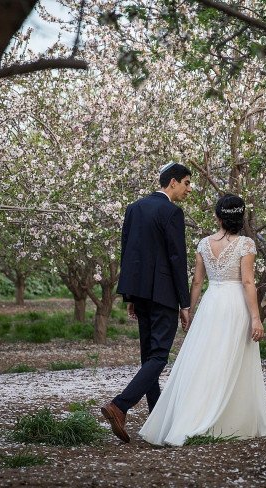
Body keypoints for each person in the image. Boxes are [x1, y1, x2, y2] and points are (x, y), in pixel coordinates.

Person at [138, 194, 266, 446]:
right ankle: (227, 419)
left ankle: (194, 414)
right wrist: (256, 318)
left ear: (218, 216)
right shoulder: (246, 244)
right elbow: (247, 282)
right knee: (232, 359)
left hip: (211, 304)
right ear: (240, 218)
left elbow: (198, 281)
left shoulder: (203, 243)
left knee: (205, 359)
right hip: (235, 305)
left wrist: (187, 308)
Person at [101, 162, 192, 443]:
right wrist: (184, 303)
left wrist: (130, 295)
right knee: (159, 357)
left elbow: (127, 251)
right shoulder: (172, 212)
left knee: (148, 357)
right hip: (163, 294)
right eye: (187, 183)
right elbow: (177, 259)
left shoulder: (134, 208)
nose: (189, 190)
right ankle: (120, 405)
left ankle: (157, 421)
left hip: (139, 292)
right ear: (173, 182)